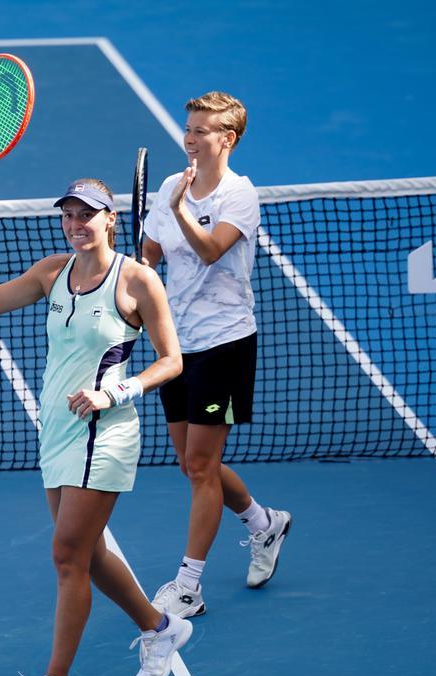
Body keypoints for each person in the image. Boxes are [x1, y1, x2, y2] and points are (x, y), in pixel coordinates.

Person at [0, 179, 191, 676]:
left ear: (110, 219)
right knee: (86, 555)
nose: (76, 225)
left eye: (86, 215)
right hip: (57, 430)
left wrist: (114, 393)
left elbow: (171, 361)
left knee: (66, 556)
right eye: (68, 216)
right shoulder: (52, 271)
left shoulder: (136, 281)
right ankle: (160, 627)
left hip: (105, 431)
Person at [142, 92, 292, 619]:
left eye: (202, 130)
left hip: (226, 342)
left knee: (202, 466)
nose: (189, 137)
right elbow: (149, 255)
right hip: (176, 345)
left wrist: (181, 207)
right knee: (191, 463)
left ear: (227, 139)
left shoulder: (239, 196)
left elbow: (209, 249)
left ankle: (188, 587)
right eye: (188, 127)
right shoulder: (168, 186)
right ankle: (264, 523)